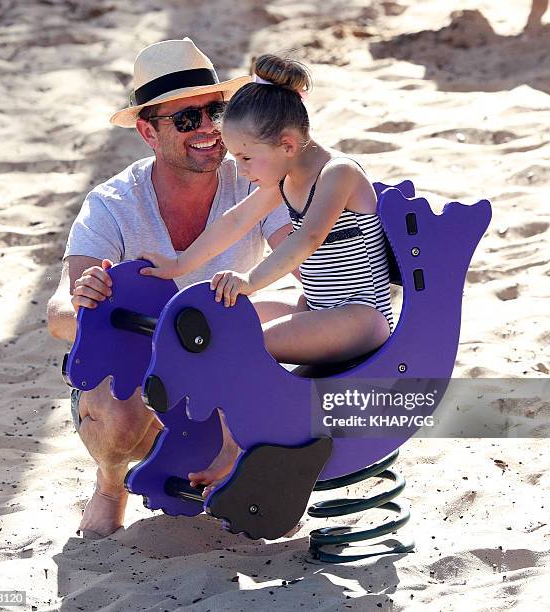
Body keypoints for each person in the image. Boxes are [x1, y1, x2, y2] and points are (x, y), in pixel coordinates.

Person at [46, 39, 292, 538]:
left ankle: (236, 466)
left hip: (227, 377)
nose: (206, 129)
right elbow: (57, 317)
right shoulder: (113, 203)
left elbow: (306, 253)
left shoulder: (252, 182)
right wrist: (87, 300)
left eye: (216, 112)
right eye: (186, 119)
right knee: (113, 407)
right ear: (147, 132)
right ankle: (112, 485)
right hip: (144, 382)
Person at [140, 53, 394, 493]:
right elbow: (235, 221)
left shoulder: (338, 175)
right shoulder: (286, 174)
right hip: (318, 308)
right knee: (227, 325)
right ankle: (235, 435)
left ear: (288, 144)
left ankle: (238, 450)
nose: (239, 169)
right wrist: (181, 264)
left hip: (360, 316)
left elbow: (306, 241)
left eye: (245, 158)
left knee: (248, 347)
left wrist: (250, 280)